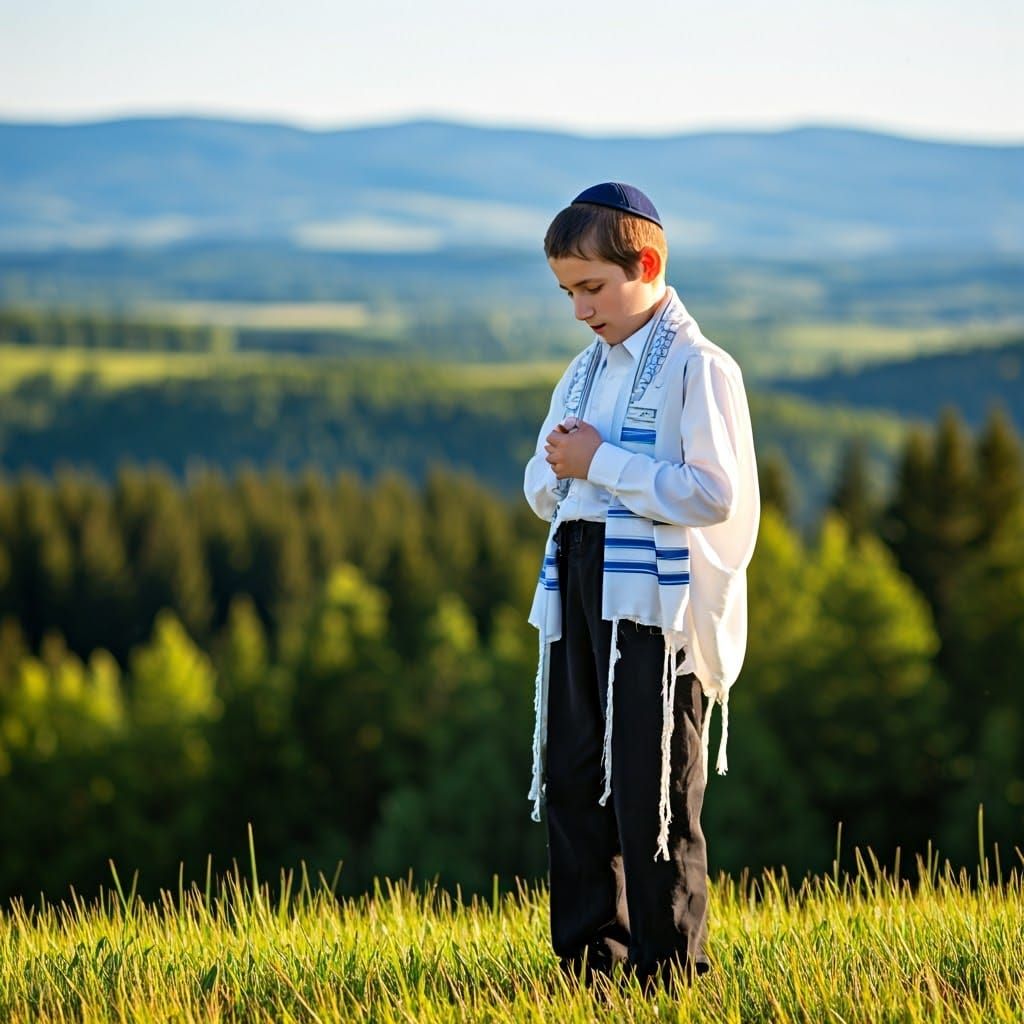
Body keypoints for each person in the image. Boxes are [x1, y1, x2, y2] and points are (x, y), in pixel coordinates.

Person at [523, 182, 759, 992]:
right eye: (567, 292)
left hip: (656, 607)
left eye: (592, 287)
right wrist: (561, 471)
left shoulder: (700, 366)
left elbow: (714, 492)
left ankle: (670, 970)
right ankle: (593, 959)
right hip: (581, 585)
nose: (580, 310)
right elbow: (541, 477)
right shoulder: (584, 372)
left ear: (647, 264)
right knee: (574, 770)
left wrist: (602, 467)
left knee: (649, 782)